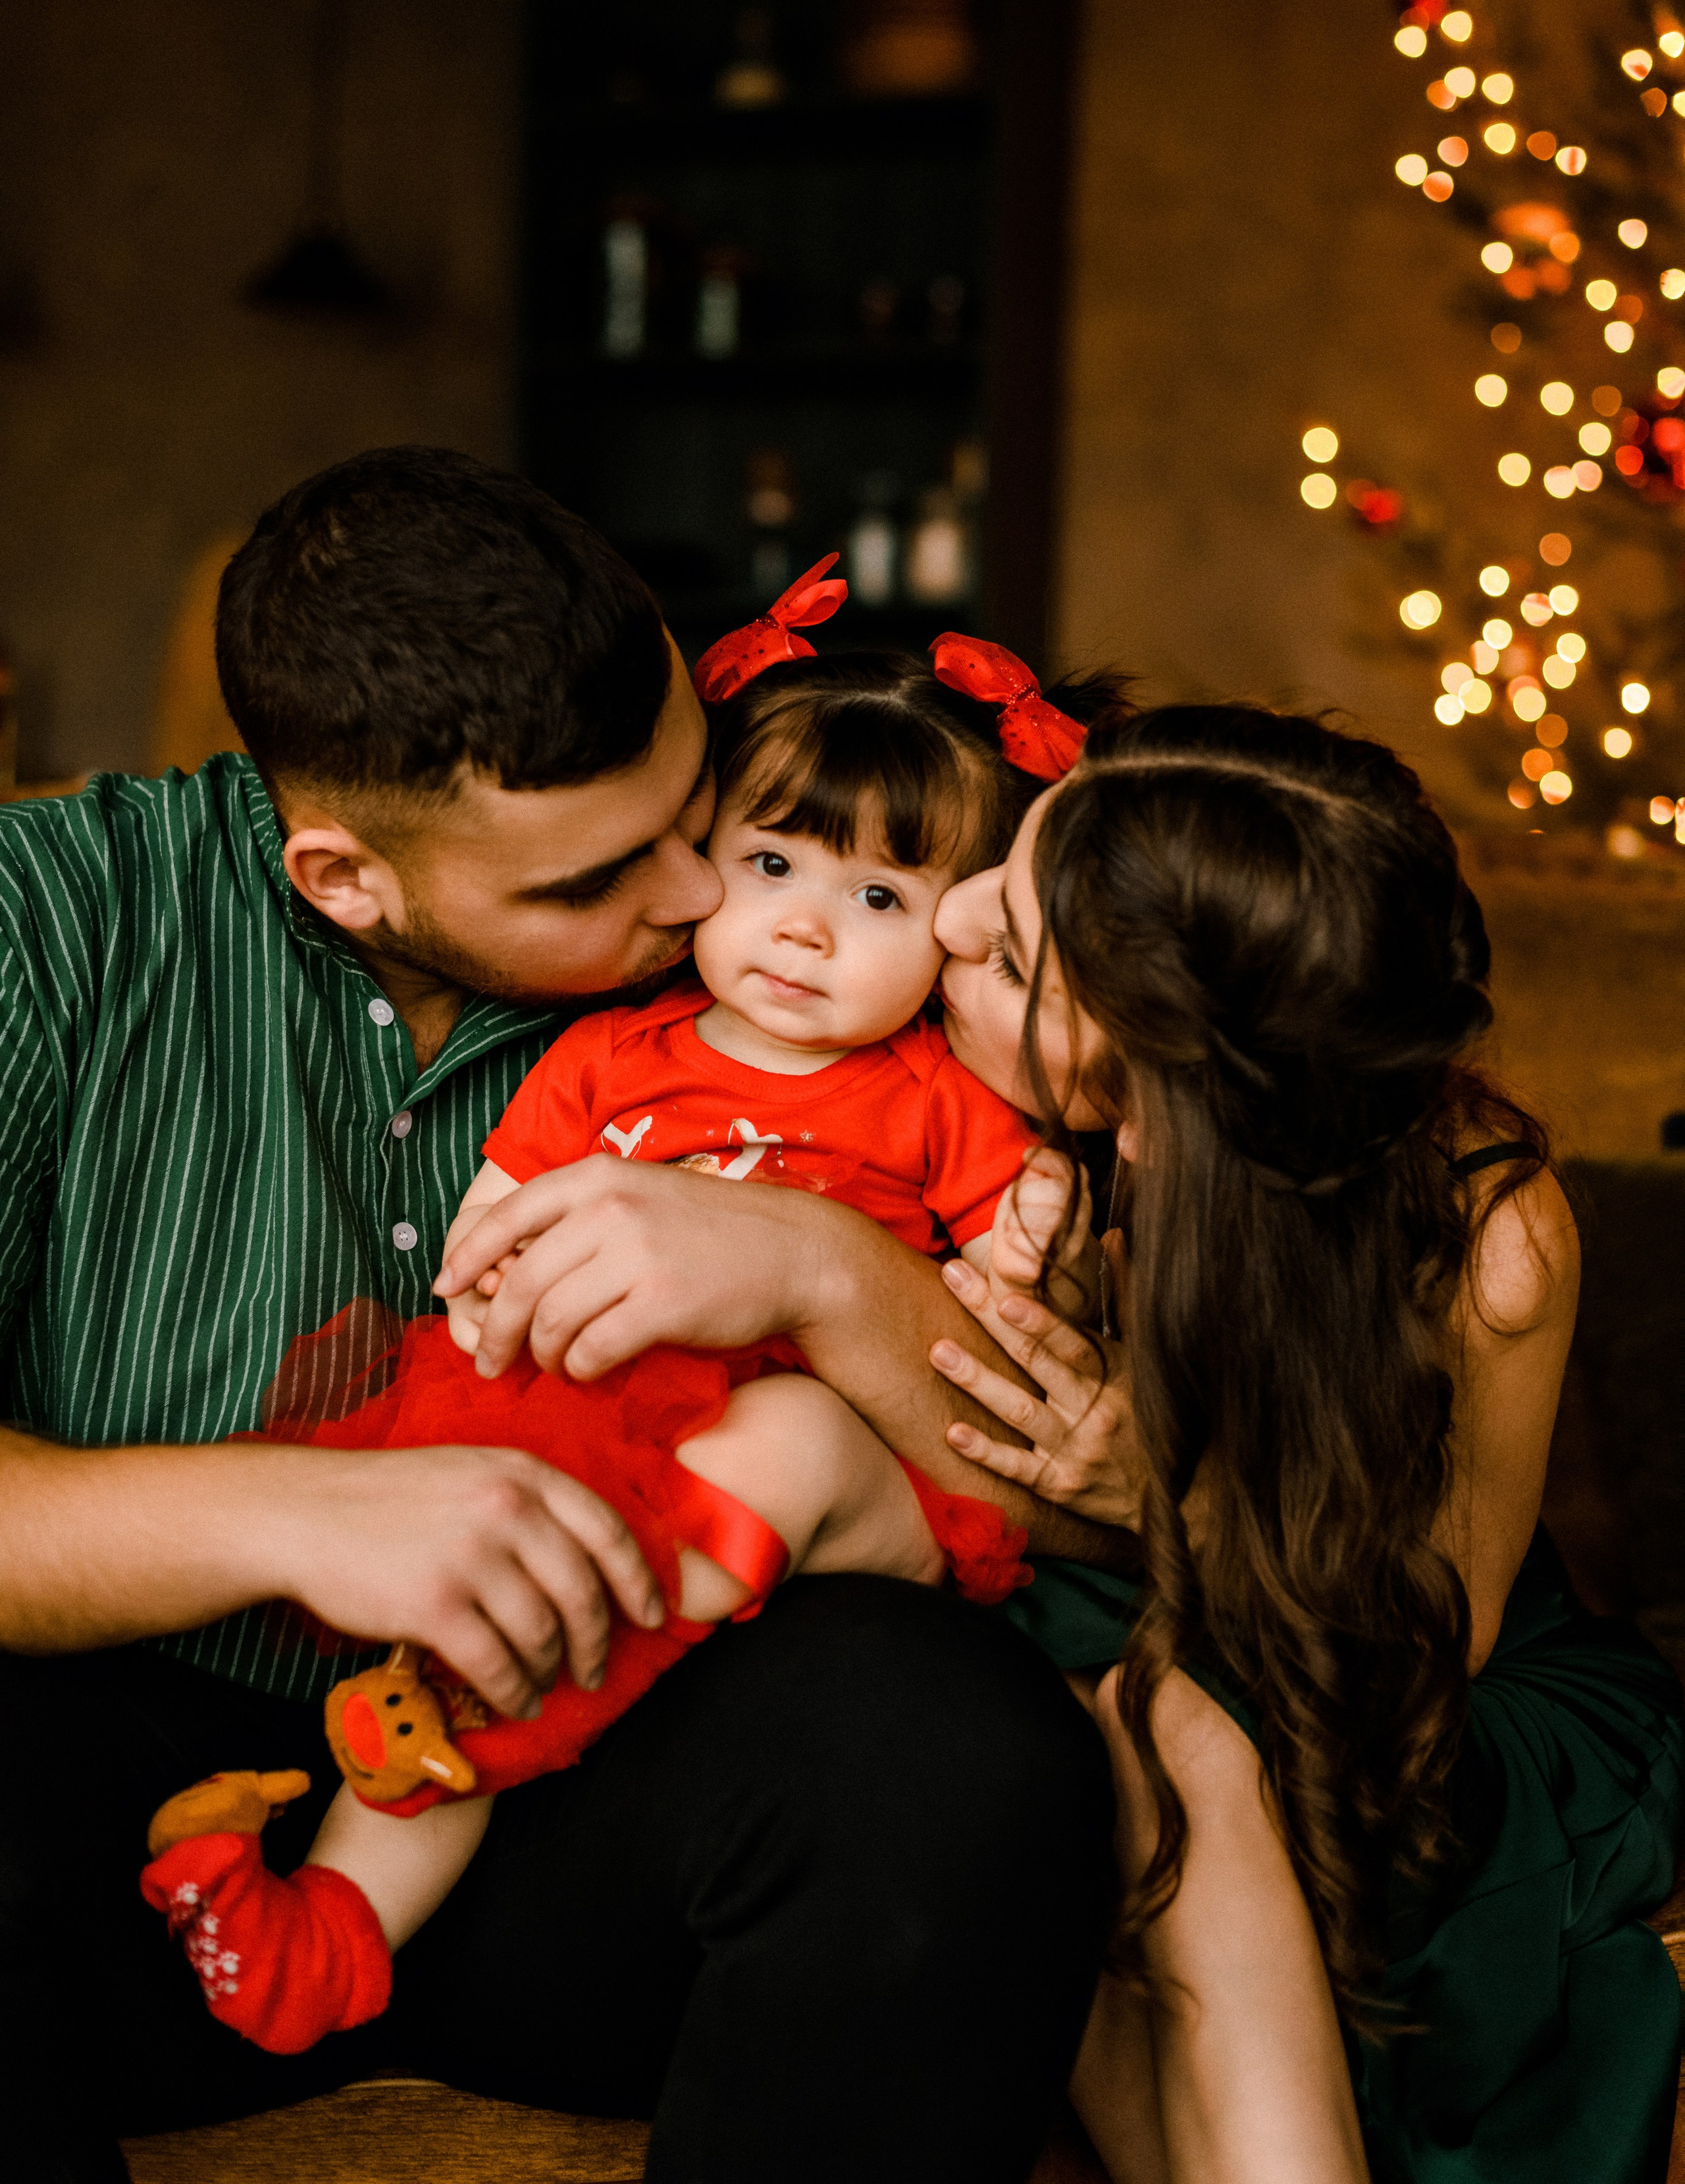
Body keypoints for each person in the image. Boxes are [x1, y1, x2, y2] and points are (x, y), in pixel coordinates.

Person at [0, 448, 1119, 2184]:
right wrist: (301, 1513)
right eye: (607, 880)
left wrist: (822, 1273)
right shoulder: (48, 929)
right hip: (114, 1801)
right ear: (347, 877)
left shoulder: (812, 972)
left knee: (966, 1756)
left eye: (699, 820)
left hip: (597, 1771)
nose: (696, 903)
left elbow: (1096, 1508)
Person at [140, 639, 1093, 2057]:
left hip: (832, 1484)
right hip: (607, 1451)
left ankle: (508, 1697)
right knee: (482, 1558)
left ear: (958, 936)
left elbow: (1010, 1312)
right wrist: (479, 1341)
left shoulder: (938, 1098)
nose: (805, 930)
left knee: (783, 1443)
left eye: (880, 897)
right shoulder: (611, 1055)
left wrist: (1022, 1248)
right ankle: (326, 1932)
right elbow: (492, 1234)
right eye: (771, 866)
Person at [904, 701, 1684, 2184]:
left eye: (1007, 949)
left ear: (1149, 1110)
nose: (942, 920)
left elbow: (1423, 1646)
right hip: (1163, 1638)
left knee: (1126, 1730)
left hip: (1413, 1694)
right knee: (1026, 1738)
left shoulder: (1484, 1234)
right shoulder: (959, 1093)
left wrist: (1170, 1503)